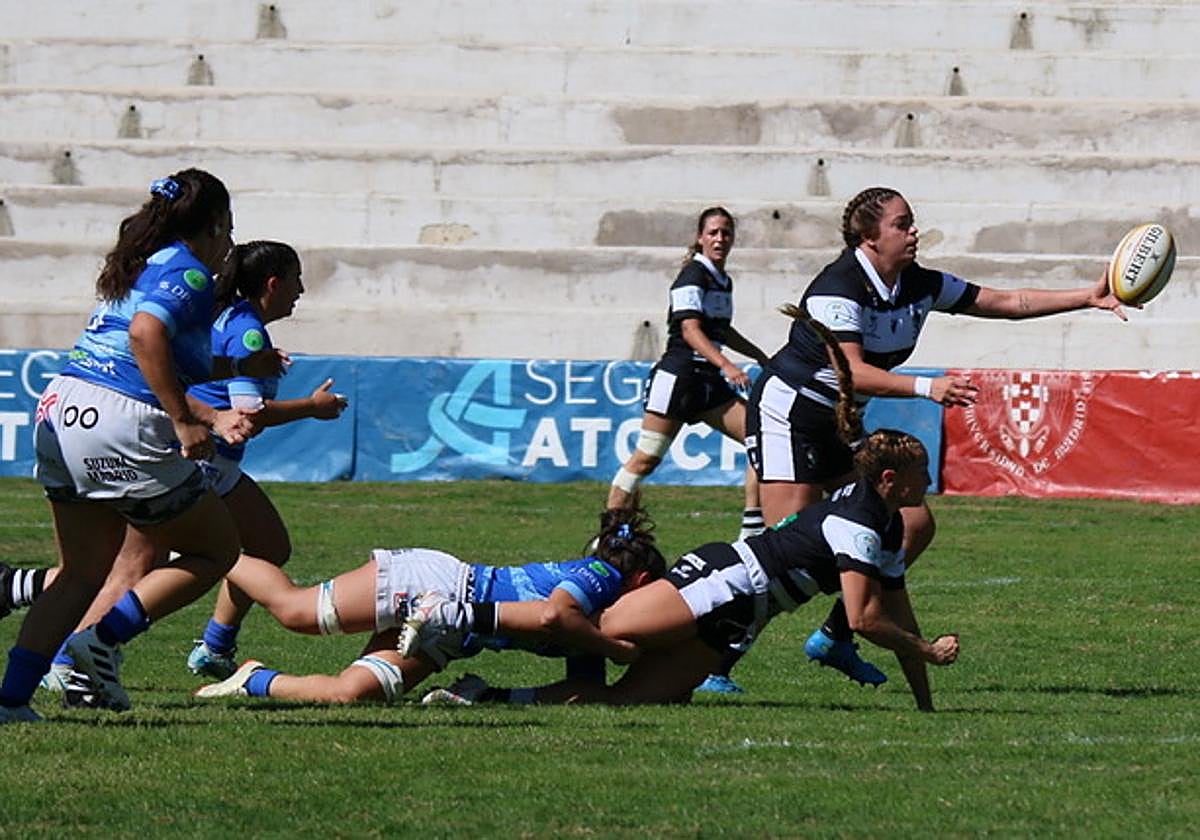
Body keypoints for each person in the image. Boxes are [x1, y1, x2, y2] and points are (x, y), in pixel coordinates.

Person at [726, 184, 1127, 688]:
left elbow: (1004, 300)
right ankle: (718, 660)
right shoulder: (838, 287)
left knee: (910, 523)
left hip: (840, 422)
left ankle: (836, 635)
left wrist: (1086, 298)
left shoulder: (916, 284)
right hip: (791, 415)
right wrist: (927, 387)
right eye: (901, 224)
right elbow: (852, 370)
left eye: (911, 221)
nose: (913, 231)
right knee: (791, 553)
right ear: (868, 238)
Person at [408, 417, 961, 711]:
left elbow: (899, 612)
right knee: (604, 632)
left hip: (738, 616)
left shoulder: (886, 522)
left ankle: (485, 695)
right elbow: (864, 619)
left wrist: (926, 704)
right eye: (920, 473)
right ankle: (453, 613)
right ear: (889, 480)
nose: (929, 482)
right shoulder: (858, 524)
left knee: (636, 698)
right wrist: (927, 652)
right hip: (725, 581)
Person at [0, 169, 286, 723]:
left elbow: (157, 351)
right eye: (228, 229)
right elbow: (145, 336)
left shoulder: (139, 265)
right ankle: (99, 644)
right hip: (118, 417)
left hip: (62, 406)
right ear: (218, 224)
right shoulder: (190, 271)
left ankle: (10, 699)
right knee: (217, 551)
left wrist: (235, 368)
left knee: (83, 570)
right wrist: (183, 420)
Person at [35, 241, 348, 705]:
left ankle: (211, 646)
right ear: (273, 283)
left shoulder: (230, 319)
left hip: (192, 452)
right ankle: (71, 657)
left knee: (261, 547)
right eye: (297, 280)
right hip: (198, 456)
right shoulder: (246, 331)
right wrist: (312, 408)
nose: (301, 290)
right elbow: (248, 415)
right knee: (143, 565)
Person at [192, 506, 666, 704]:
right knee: (297, 612)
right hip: (437, 584)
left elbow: (580, 693)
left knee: (353, 695)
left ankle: (251, 678)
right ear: (641, 580)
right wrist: (614, 648)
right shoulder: (602, 577)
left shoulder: (599, 624)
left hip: (453, 629)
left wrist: (498, 697)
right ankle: (203, 547)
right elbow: (552, 614)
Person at [607, 206, 770, 544]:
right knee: (644, 460)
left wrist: (758, 355)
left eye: (726, 232)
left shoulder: (723, 280)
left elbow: (720, 330)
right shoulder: (692, 276)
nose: (720, 238)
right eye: (713, 232)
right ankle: (608, 535)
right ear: (700, 238)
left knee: (763, 437)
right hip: (679, 378)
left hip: (707, 382)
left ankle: (752, 529)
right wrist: (727, 365)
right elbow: (691, 330)